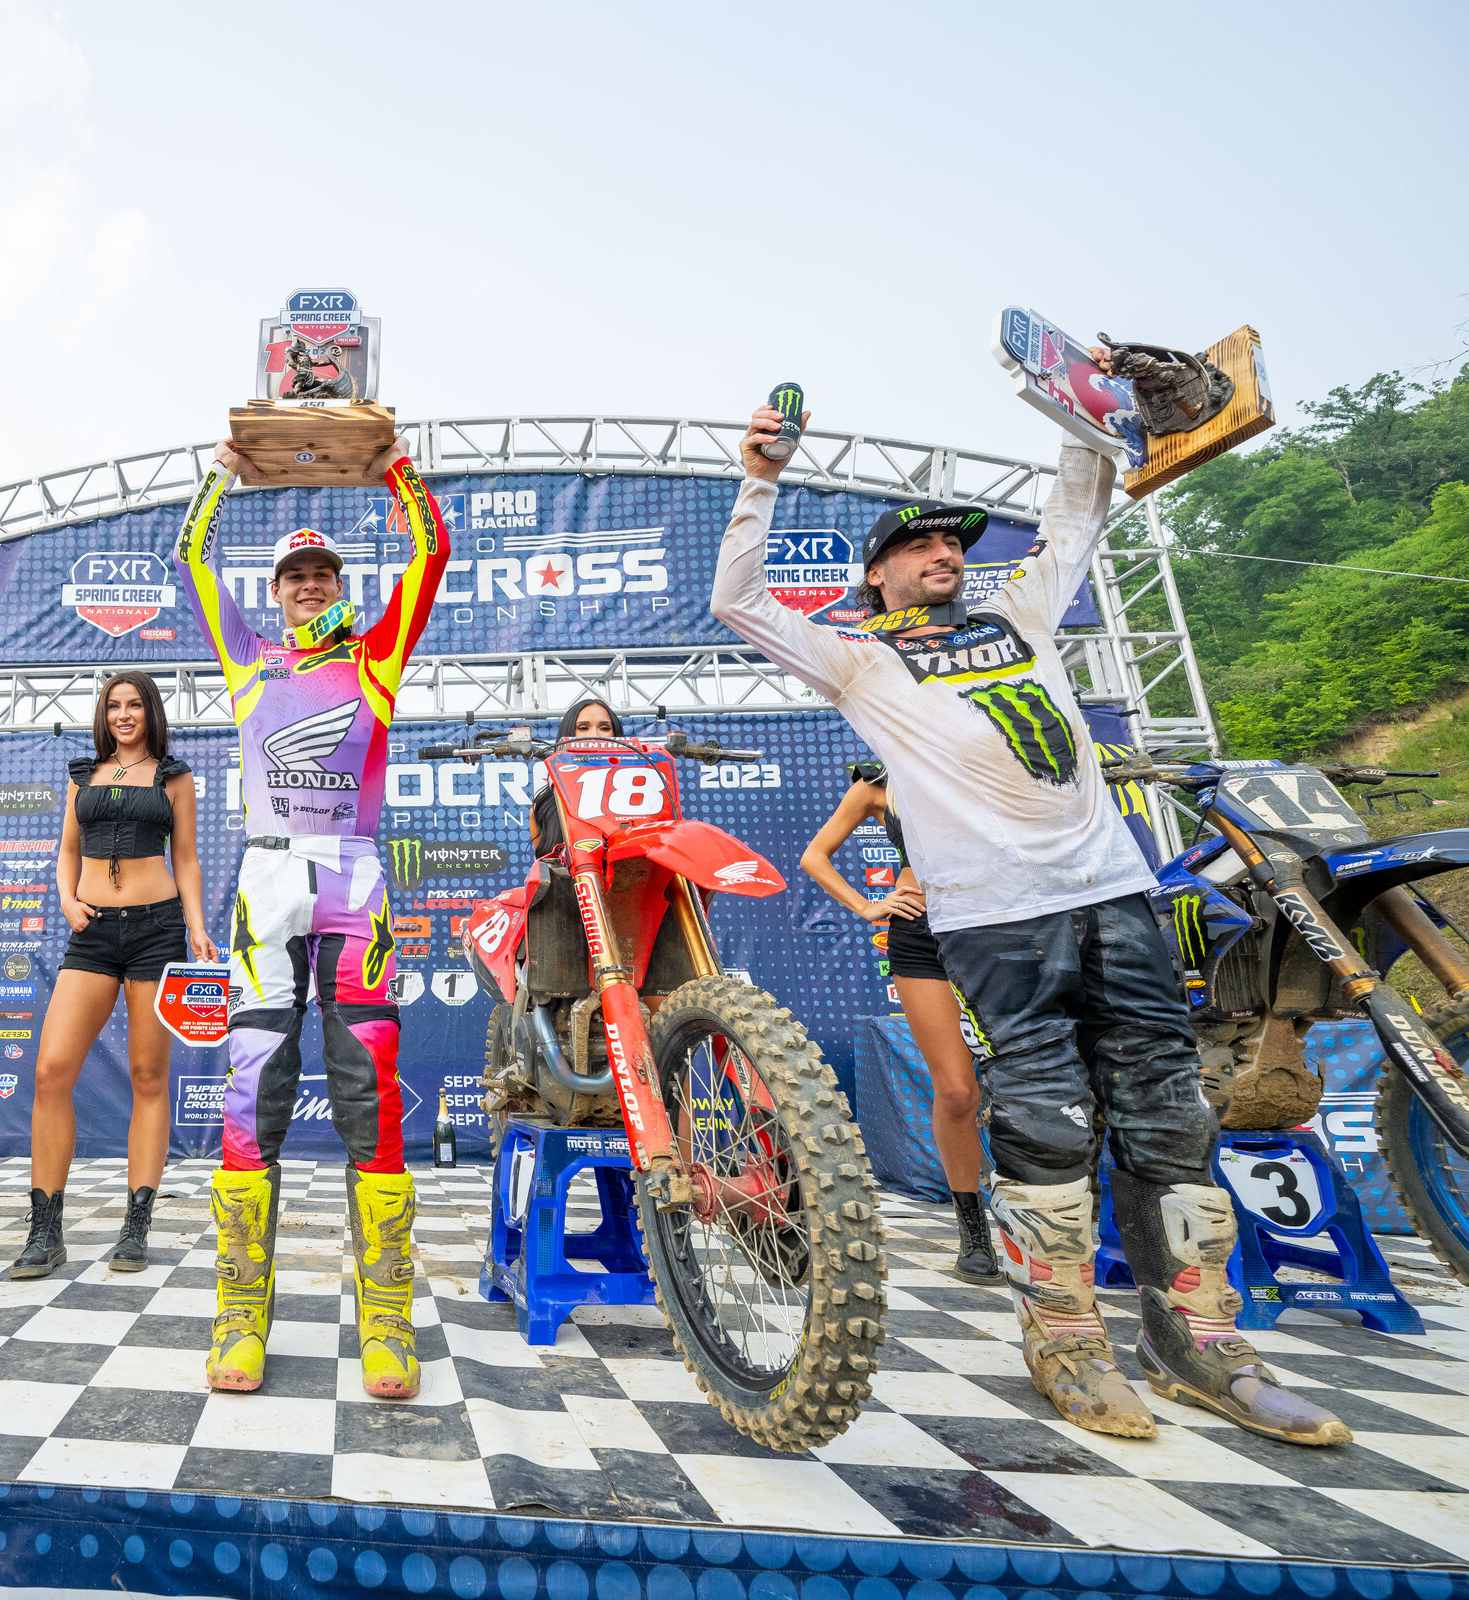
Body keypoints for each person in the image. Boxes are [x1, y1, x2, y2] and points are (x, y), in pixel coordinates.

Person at [710, 389, 1347, 1446]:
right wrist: (763, 477)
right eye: (915, 547)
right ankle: (1063, 1337)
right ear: (876, 574)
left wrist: (1081, 412)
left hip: (1112, 891)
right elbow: (738, 603)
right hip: (994, 917)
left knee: (1169, 1111)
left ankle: (1199, 1338)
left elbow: (1077, 514)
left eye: (950, 542)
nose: (940, 555)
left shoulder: (1020, 614)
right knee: (1044, 1120)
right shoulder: (858, 656)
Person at [178, 434, 450, 1399]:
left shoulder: (378, 655)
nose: (306, 585)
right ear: (276, 587)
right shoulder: (246, 660)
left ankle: (386, 1324)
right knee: (252, 1091)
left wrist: (396, 473)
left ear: (340, 586)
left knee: (369, 1089)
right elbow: (189, 559)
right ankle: (239, 1319)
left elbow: (433, 555)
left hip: (355, 882)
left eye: (321, 573)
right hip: (266, 886)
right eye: (293, 574)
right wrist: (222, 470)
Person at [11, 673, 216, 1279]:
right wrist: (69, 901)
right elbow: (68, 850)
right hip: (92, 933)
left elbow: (186, 858)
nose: (123, 715)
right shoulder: (83, 776)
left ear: (150, 712)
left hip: (157, 931)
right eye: (113, 706)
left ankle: (136, 1225)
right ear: (103, 714)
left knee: (149, 1077)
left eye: (134, 705)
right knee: (51, 1071)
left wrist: (197, 928)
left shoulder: (174, 778)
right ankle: (46, 1230)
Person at [798, 762, 998, 1283]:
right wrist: (867, 904)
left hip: (1001, 927)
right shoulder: (878, 782)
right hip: (921, 932)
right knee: (957, 1092)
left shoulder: (989, 752)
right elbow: (813, 857)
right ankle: (973, 1227)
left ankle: (1042, 1216)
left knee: (1024, 1083)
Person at [528, 696, 624, 854]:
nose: (595, 735)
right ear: (569, 733)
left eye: (605, 728)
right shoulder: (544, 809)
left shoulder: (642, 794)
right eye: (583, 727)